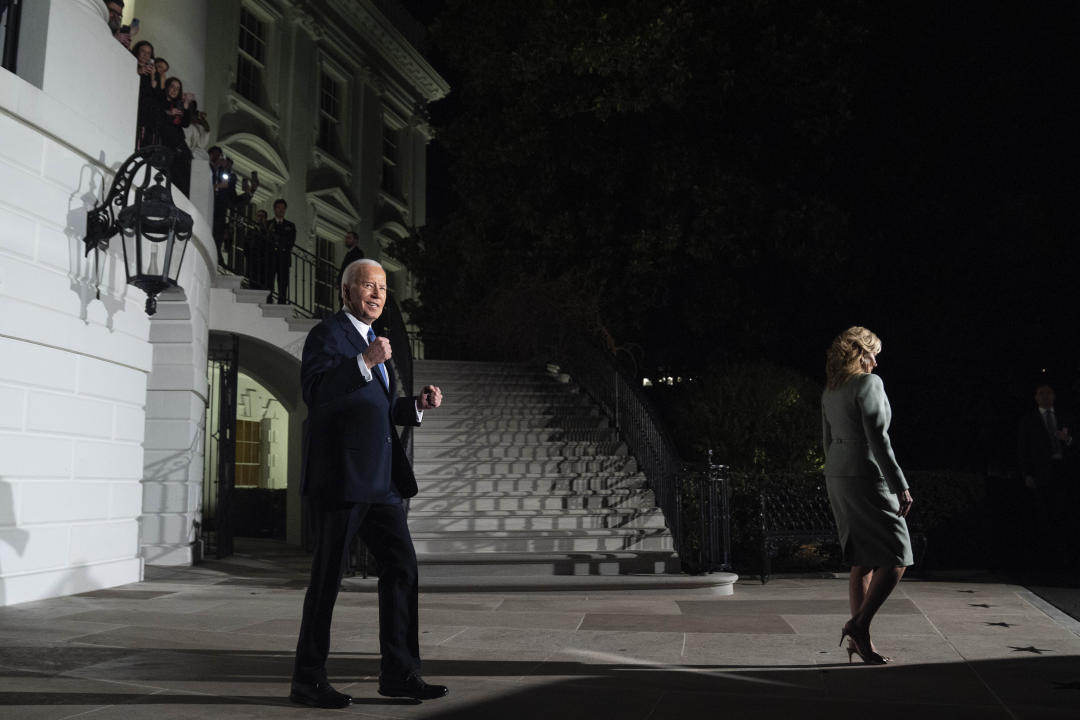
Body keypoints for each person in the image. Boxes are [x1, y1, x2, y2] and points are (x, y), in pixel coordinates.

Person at [290, 259, 448, 708]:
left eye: (382, 287)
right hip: (340, 480)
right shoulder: (329, 335)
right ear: (346, 291)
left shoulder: (378, 343)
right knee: (327, 580)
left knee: (402, 567)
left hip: (381, 484)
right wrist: (364, 360)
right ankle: (307, 679)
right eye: (367, 285)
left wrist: (414, 406)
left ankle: (399, 673)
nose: (377, 294)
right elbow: (316, 391)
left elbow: (378, 409)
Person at [822, 326, 914, 665]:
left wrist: (835, 473)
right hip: (866, 473)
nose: (876, 361)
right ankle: (858, 625)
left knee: (862, 558)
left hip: (838, 472)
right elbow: (879, 438)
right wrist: (899, 483)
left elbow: (826, 441)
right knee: (897, 553)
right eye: (872, 353)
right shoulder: (868, 383)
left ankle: (861, 641)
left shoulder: (832, 389)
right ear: (860, 354)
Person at [1017, 382, 1076, 569]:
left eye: (1048, 393)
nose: (1045, 396)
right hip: (1041, 472)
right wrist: (1027, 473)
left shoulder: (1065, 418)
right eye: (1041, 393)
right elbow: (1023, 449)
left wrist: (1067, 439)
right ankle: (1044, 559)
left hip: (1063, 470)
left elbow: (1075, 443)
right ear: (1036, 397)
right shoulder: (1029, 420)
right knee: (1043, 514)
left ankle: (1065, 559)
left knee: (1064, 514)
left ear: (1054, 396)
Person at [154, 77, 194, 196]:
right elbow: (157, 112)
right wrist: (169, 113)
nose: (174, 90)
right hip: (166, 143)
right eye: (172, 87)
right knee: (173, 175)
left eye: (177, 88)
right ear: (167, 87)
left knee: (187, 174)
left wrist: (186, 103)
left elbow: (185, 123)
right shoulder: (161, 99)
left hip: (178, 144)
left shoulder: (177, 104)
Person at [267, 198, 296, 304]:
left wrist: (281, 244)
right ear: (274, 209)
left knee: (283, 280)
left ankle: (282, 299)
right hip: (271, 257)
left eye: (283, 208)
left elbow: (291, 241)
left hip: (284, 257)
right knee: (269, 278)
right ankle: (268, 298)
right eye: (279, 208)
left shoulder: (290, 225)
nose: (281, 210)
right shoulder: (269, 223)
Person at [336, 231, 364, 298]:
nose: (346, 240)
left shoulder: (358, 253)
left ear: (355, 240)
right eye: (346, 238)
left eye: (349, 238)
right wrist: (338, 282)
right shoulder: (349, 253)